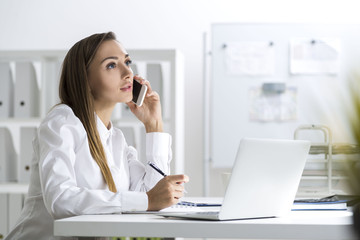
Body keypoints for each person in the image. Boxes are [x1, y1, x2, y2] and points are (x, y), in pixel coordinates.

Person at [5, 32, 189, 240]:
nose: (127, 72)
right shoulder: (62, 123)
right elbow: (61, 200)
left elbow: (154, 195)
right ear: (85, 78)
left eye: (127, 62)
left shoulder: (116, 139)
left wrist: (154, 125)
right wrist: (146, 200)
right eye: (111, 65)